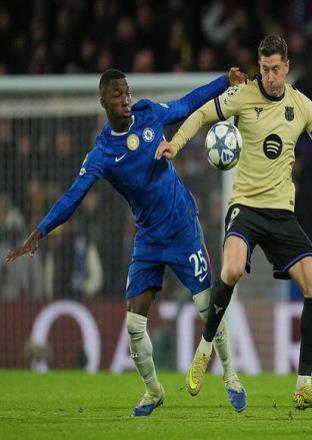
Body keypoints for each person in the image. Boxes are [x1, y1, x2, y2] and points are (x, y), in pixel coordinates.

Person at [4, 67, 248, 416]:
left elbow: (186, 104)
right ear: (103, 102)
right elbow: (73, 196)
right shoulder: (102, 153)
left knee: (208, 307)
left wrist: (224, 81)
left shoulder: (149, 113)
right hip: (147, 237)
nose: (126, 99)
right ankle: (153, 391)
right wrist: (40, 231)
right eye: (117, 94)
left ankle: (231, 376)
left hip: (182, 226)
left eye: (127, 92)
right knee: (134, 325)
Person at [156, 35, 312, 411]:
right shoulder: (243, 95)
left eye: (276, 69)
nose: (270, 76)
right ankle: (205, 350)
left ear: (287, 67)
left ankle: (304, 385)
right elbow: (202, 114)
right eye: (265, 69)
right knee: (232, 269)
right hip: (247, 208)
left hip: (282, 213)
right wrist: (177, 143)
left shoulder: (301, 105)